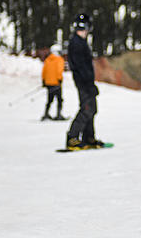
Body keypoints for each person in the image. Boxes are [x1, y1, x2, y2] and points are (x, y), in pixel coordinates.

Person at [65, 14, 105, 149]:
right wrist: (89, 84)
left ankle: (88, 137)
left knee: (92, 109)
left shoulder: (80, 42)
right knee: (87, 109)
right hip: (83, 82)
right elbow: (80, 66)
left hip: (86, 81)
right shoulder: (76, 43)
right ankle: (72, 137)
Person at [41, 44, 66, 121]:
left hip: (48, 83)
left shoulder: (47, 59)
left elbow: (44, 71)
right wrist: (59, 79)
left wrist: (44, 80)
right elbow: (59, 70)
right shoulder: (59, 59)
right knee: (59, 99)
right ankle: (58, 114)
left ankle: (46, 113)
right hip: (56, 83)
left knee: (49, 99)